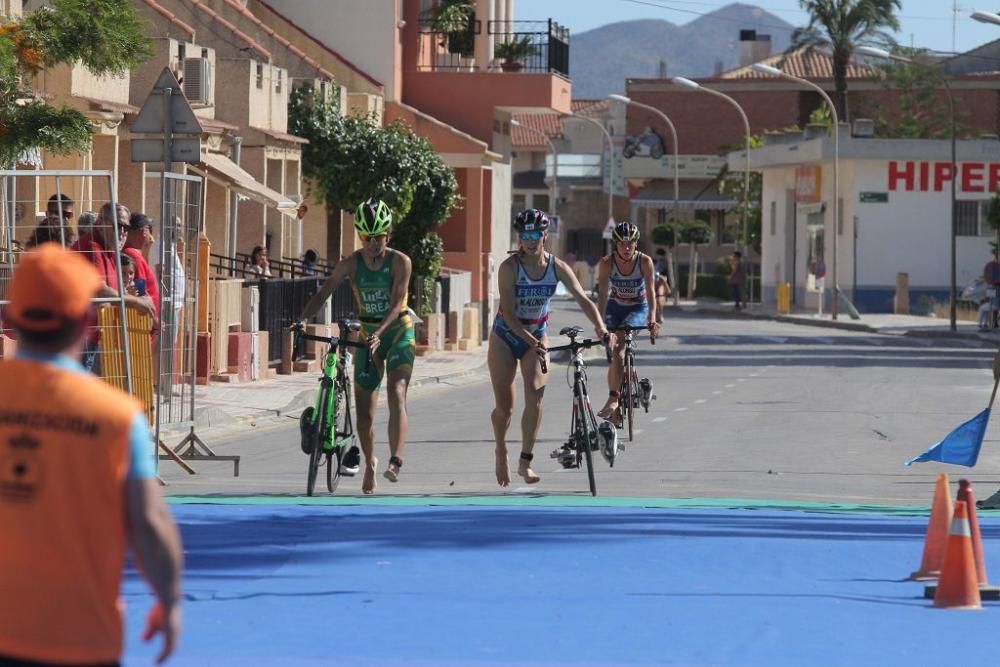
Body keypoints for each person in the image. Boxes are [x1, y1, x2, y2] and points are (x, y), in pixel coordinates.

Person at [0, 245, 183, 666]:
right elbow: (149, 523)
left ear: (11, 320)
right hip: (80, 636)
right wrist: (169, 600)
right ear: (85, 320)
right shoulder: (116, 416)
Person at [295, 198, 414, 495]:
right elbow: (324, 292)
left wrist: (380, 332)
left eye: (379, 237)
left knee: (397, 391)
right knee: (364, 416)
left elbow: (398, 301)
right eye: (367, 238)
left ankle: (395, 460)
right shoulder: (350, 263)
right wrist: (300, 319)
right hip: (367, 334)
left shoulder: (400, 262)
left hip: (398, 330)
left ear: (388, 234)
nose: (373, 244)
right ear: (360, 236)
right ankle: (370, 462)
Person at [489, 208, 610, 487]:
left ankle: (525, 462)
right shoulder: (510, 268)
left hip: (537, 333)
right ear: (519, 237)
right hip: (506, 335)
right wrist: (530, 340)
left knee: (536, 396)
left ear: (545, 235)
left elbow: (583, 299)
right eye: (525, 235)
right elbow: (507, 312)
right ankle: (501, 449)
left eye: (536, 235)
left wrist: (602, 329)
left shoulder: (556, 267)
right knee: (505, 409)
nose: (530, 240)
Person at [70, 202, 156, 373]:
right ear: (101, 222)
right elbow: (100, 290)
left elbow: (113, 288)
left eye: (125, 227)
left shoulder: (107, 249)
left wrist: (134, 297)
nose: (122, 232)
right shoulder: (92, 248)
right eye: (118, 225)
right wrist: (137, 302)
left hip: (93, 335)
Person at [596, 221, 660, 422]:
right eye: (622, 244)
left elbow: (651, 292)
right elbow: (603, 295)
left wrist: (652, 318)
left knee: (620, 347)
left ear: (636, 243)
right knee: (615, 354)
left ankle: (613, 400)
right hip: (615, 307)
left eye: (630, 244)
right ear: (615, 244)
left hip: (637, 308)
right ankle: (615, 405)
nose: (626, 248)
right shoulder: (607, 263)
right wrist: (600, 323)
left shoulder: (644, 261)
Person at [123, 213, 160, 318]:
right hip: (144, 324)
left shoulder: (132, 253)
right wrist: (155, 322)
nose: (151, 237)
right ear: (144, 231)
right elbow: (140, 291)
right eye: (149, 230)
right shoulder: (132, 255)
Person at [653, 248, 671, 324]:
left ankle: (660, 315)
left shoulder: (665, 263)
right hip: (654, 278)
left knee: (660, 296)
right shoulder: (654, 261)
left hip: (662, 279)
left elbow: (665, 274)